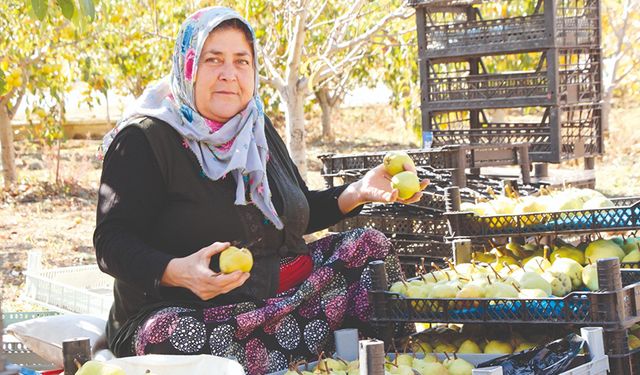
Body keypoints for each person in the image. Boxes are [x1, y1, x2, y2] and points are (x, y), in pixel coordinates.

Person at [94, 6, 427, 374]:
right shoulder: (145, 139)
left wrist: (360, 190)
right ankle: (317, 352)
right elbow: (111, 243)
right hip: (188, 309)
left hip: (276, 296)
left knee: (368, 249)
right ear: (188, 65)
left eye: (241, 61)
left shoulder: (254, 127)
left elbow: (296, 212)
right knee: (174, 336)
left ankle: (388, 363)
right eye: (213, 60)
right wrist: (178, 271)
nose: (229, 75)